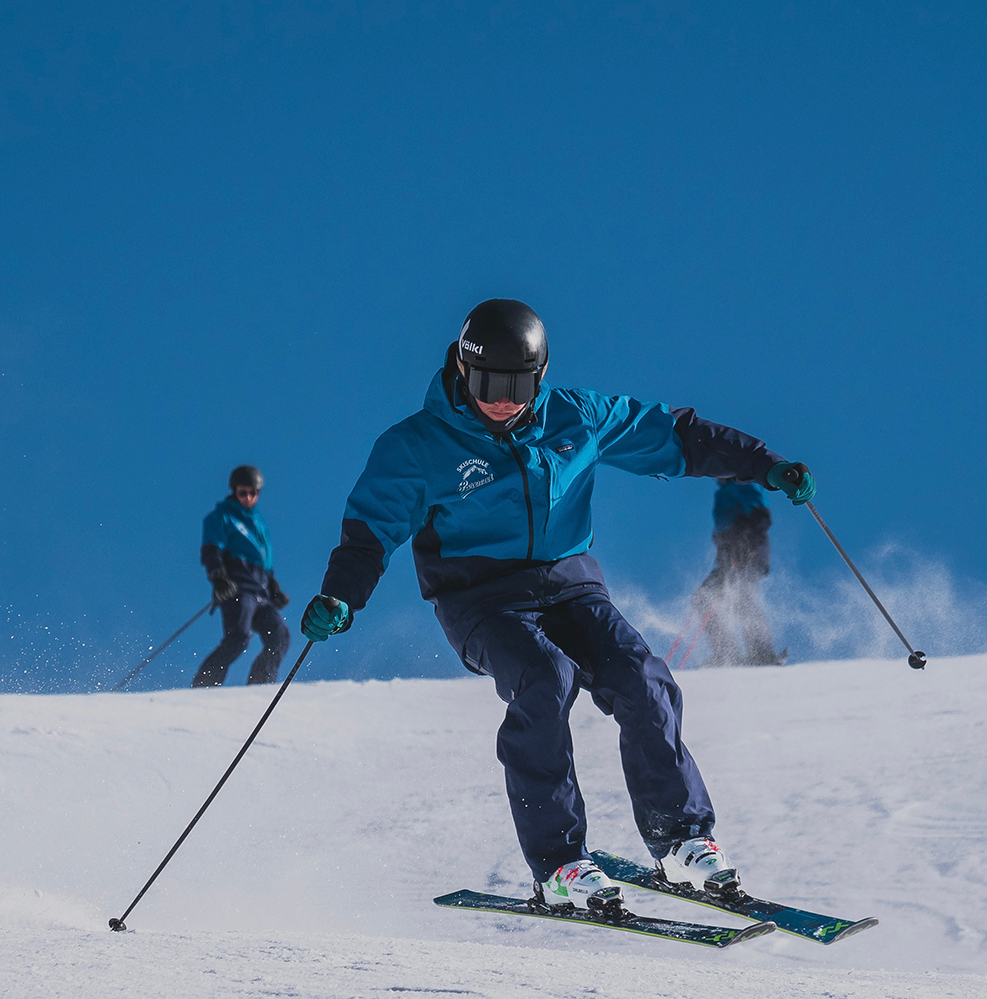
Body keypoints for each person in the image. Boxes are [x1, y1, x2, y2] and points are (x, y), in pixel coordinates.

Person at [298, 300, 815, 913]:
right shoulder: (416, 446)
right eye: (486, 383)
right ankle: (559, 864)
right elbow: (369, 533)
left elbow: (673, 435)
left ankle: (681, 841)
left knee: (644, 679)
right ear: (462, 369)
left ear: (540, 375)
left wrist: (764, 465)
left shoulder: (576, 416)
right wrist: (340, 595)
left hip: (571, 586)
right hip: (479, 598)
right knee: (545, 679)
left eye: (517, 386)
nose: (501, 400)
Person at [192, 465, 292, 687]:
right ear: (234, 491)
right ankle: (203, 686)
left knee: (280, 636)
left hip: (262, 593)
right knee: (238, 638)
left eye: (252, 493)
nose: (248, 498)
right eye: (242, 493)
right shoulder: (222, 517)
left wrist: (273, 588)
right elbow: (211, 549)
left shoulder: (259, 523)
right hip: (239, 589)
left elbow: (264, 560)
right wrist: (218, 577)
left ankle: (259, 686)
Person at [690, 478, 785, 667]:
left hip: (748, 553)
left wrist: (748, 544)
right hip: (730, 558)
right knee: (703, 597)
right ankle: (725, 653)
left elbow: (761, 517)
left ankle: (762, 653)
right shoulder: (723, 491)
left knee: (742, 596)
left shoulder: (743, 482)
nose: (715, 474)